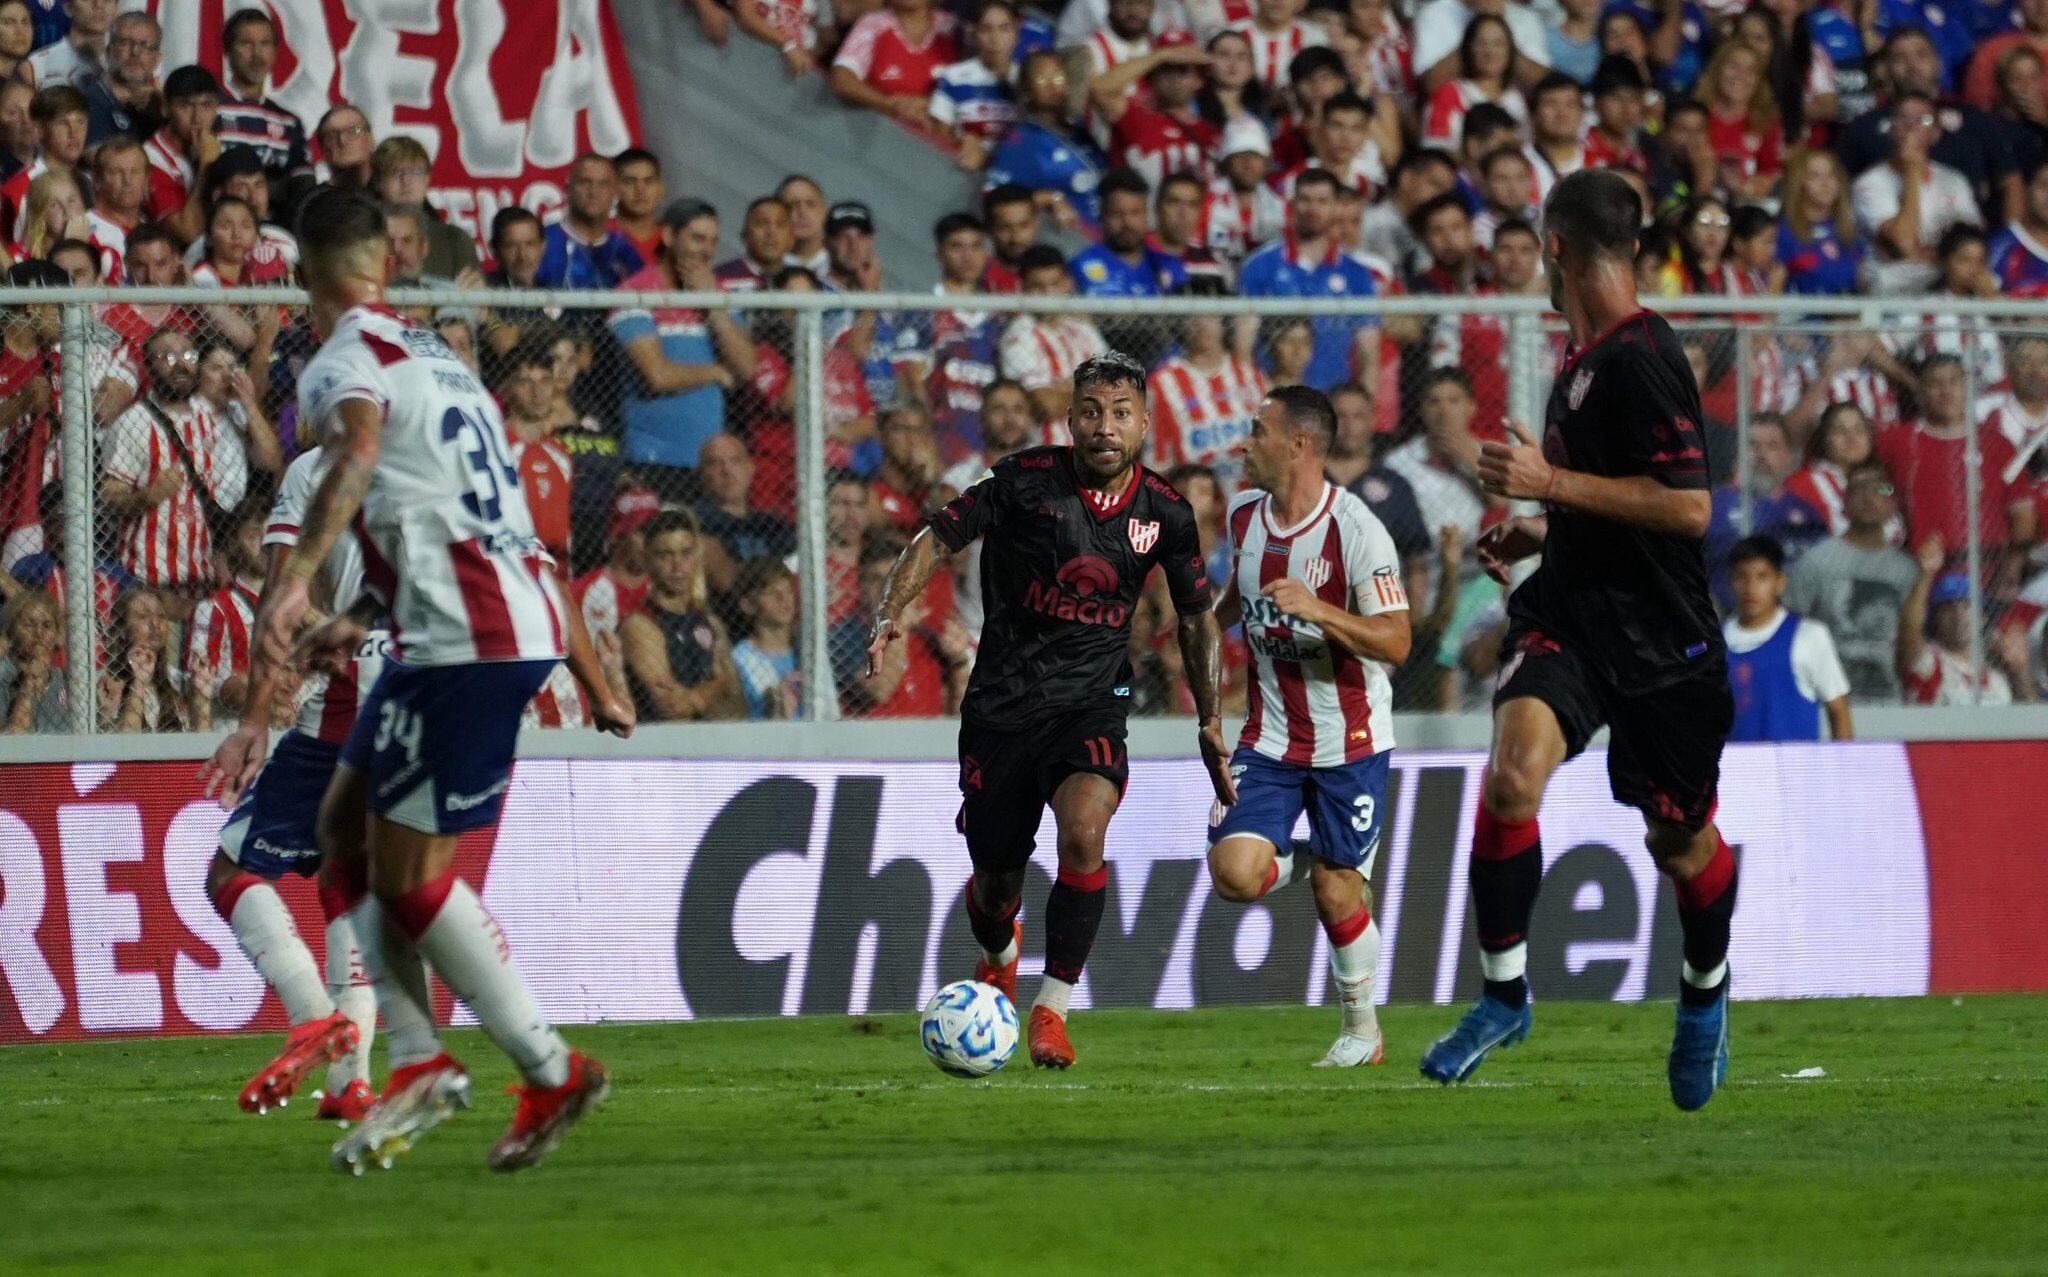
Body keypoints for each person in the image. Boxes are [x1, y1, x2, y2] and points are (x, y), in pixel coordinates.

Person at [209, 189, 631, 1174]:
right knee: (349, 840)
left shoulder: (340, 364)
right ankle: (426, 1060)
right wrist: (592, 671)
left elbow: (352, 452)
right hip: (492, 622)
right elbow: (506, 531)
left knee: (404, 874)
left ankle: (529, 1062)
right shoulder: (447, 367)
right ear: (386, 266)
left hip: (462, 634)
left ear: (304, 275)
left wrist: (294, 586)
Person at [1421, 169, 1737, 1112]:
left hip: (1661, 642)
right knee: (1512, 777)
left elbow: (1687, 508)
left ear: (1554, 247)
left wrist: (1548, 487)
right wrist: (1543, 529)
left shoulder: (1641, 354)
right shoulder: (1580, 353)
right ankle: (1505, 994)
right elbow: (1619, 506)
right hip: (1571, 612)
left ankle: (1705, 996)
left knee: (1677, 841)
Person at [865, 351, 1231, 1068]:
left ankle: (1052, 1011)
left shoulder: (1165, 511)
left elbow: (1196, 616)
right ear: (1069, 420)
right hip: (1002, 708)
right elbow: (937, 534)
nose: (1104, 427)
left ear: (1146, 424)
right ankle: (999, 954)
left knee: (1085, 830)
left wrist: (1210, 716)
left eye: (1120, 413)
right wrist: (891, 609)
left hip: (1091, 705)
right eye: (1091, 412)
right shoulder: (1022, 481)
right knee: (996, 885)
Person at [1205, 385, 1411, 1067]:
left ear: (1299, 444)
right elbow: (1232, 603)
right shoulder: (1243, 518)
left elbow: (1397, 640)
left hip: (1347, 738)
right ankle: (1321, 862)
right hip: (1268, 734)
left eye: (1258, 432)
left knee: (1336, 890)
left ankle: (1362, 1031)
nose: (1245, 443)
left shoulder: (1356, 530)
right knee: (1235, 872)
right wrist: (1201, 631)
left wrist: (1322, 612)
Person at [193, 446, 388, 1122]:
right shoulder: (453, 450)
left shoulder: (321, 464)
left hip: (354, 699)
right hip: (437, 701)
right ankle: (349, 1083)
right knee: (346, 883)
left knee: (228, 872)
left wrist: (253, 720)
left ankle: (311, 1016)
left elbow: (281, 596)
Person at [611, 198, 757, 502]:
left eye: (713, 241)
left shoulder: (717, 295)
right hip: (654, 461)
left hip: (712, 467)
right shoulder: (635, 293)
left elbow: (747, 368)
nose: (706, 250)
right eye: (697, 238)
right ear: (668, 236)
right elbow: (658, 375)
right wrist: (716, 371)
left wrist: (712, 306)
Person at [100, 326, 228, 594]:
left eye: (188, 356)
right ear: (148, 368)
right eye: (168, 358)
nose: (181, 364)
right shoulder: (133, 422)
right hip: (148, 580)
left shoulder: (211, 421)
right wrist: (150, 495)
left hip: (203, 581)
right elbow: (110, 497)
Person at [1784, 462, 1919, 700]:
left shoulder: (1906, 570)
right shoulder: (1815, 562)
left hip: (1887, 700)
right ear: (1844, 503)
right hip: (1826, 696)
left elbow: (1910, 645)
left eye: (1881, 490)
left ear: (1893, 504)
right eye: (1859, 490)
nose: (1869, 497)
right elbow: (1789, 629)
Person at [1238, 168, 1379, 394]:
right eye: (1305, 200)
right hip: (1275, 398)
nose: (1313, 209)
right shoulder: (1259, 265)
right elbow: (1243, 348)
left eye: (1322, 201)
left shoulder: (1357, 274)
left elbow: (1369, 355)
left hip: (1332, 400)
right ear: (1292, 204)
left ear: (1335, 207)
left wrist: (1365, 406)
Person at [1852, 89, 1984, 296]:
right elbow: (1903, 243)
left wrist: (1932, 255)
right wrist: (1912, 171)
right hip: (1895, 285)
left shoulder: (1954, 180)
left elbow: (1970, 239)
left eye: (1922, 120)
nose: (1912, 126)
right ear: (1891, 129)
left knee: (1981, 274)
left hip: (1946, 277)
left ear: (1935, 133)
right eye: (1903, 118)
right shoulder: (1870, 183)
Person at [1724, 535, 1853, 741]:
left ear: (1780, 582)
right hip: (1734, 771)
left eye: (1762, 577)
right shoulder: (1712, 643)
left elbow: (1838, 711)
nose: (1751, 587)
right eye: (1742, 577)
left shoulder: (1809, 636)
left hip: (1794, 771)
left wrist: (1844, 770)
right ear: (1731, 582)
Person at [621, 508, 743, 722]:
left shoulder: (711, 624)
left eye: (685, 553)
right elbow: (672, 710)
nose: (677, 565)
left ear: (697, 556)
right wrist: (718, 684)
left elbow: (737, 709)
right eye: (665, 555)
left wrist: (694, 698)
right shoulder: (639, 625)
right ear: (647, 560)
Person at [1147, 278, 1265, 490]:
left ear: (1223, 319)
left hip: (1251, 495)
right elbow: (1157, 462)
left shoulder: (1250, 377)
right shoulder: (1162, 383)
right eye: (1192, 316)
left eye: (1210, 314)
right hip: (1195, 500)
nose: (1202, 324)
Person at [998, 243, 1109, 428]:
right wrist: (1093, 388)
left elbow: (1117, 386)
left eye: (1054, 284)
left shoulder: (1083, 329)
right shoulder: (1018, 336)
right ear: (1023, 287)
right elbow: (1047, 405)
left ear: (1067, 282)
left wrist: (1064, 388)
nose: (1048, 294)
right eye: (1038, 287)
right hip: (1049, 449)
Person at [1897, 538, 2016, 705]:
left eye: (1967, 605)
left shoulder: (1997, 682)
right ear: (1934, 619)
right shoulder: (1929, 662)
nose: (1958, 615)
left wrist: (2020, 669)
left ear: (1982, 617)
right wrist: (1925, 575)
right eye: (1947, 607)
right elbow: (1909, 633)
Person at [216, 8, 313, 199]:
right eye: (246, 43)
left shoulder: (289, 122)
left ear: (275, 52)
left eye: (265, 44)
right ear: (228, 50)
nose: (257, 54)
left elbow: (302, 185)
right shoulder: (209, 110)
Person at [830, 0, 958, 126]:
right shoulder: (873, 24)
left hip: (936, 137)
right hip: (883, 132)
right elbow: (842, 78)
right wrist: (891, 105)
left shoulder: (952, 28)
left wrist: (932, 106)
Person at [930, 0, 1021, 171]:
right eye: (986, 29)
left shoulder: (1024, 80)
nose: (995, 39)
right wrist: (962, 142)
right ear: (974, 34)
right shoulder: (953, 77)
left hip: (1012, 171)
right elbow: (939, 136)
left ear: (1016, 35)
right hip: (963, 168)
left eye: (1004, 29)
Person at [536, 153, 643, 289]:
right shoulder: (542, 242)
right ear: (567, 189)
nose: (594, 192)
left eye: (603, 184)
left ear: (615, 192)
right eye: (585, 182)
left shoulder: (624, 250)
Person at [144, 66, 222, 244]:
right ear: (165, 108)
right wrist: (207, 166)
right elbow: (188, 234)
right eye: (185, 106)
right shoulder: (150, 159)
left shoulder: (213, 146)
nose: (198, 118)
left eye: (207, 105)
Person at [574, 486, 657, 643]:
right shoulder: (582, 592)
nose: (651, 540)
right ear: (617, 536)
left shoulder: (667, 587)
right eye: (643, 531)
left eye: (656, 530)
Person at [100, 585, 186, 731]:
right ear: (122, 628)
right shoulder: (108, 684)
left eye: (161, 616)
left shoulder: (177, 681)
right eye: (143, 616)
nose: (155, 624)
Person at [730, 555, 802, 720]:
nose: (783, 599)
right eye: (771, 592)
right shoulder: (741, 659)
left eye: (788, 590)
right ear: (748, 605)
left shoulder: (806, 652)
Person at [83, 9, 162, 145]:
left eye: (145, 46)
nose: (135, 53)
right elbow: (104, 163)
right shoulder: (89, 102)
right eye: (125, 43)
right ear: (108, 52)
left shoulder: (160, 106)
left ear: (157, 58)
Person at [0, 588, 64, 732]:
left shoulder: (63, 679)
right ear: (11, 632)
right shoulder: (3, 679)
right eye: (29, 625)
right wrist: (26, 692)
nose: (39, 633)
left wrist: (104, 711)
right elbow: (13, 743)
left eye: (47, 625)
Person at [609, 147, 666, 269]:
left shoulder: (674, 239)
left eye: (648, 181)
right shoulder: (598, 237)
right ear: (614, 188)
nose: (640, 190)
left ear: (660, 189)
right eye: (630, 181)